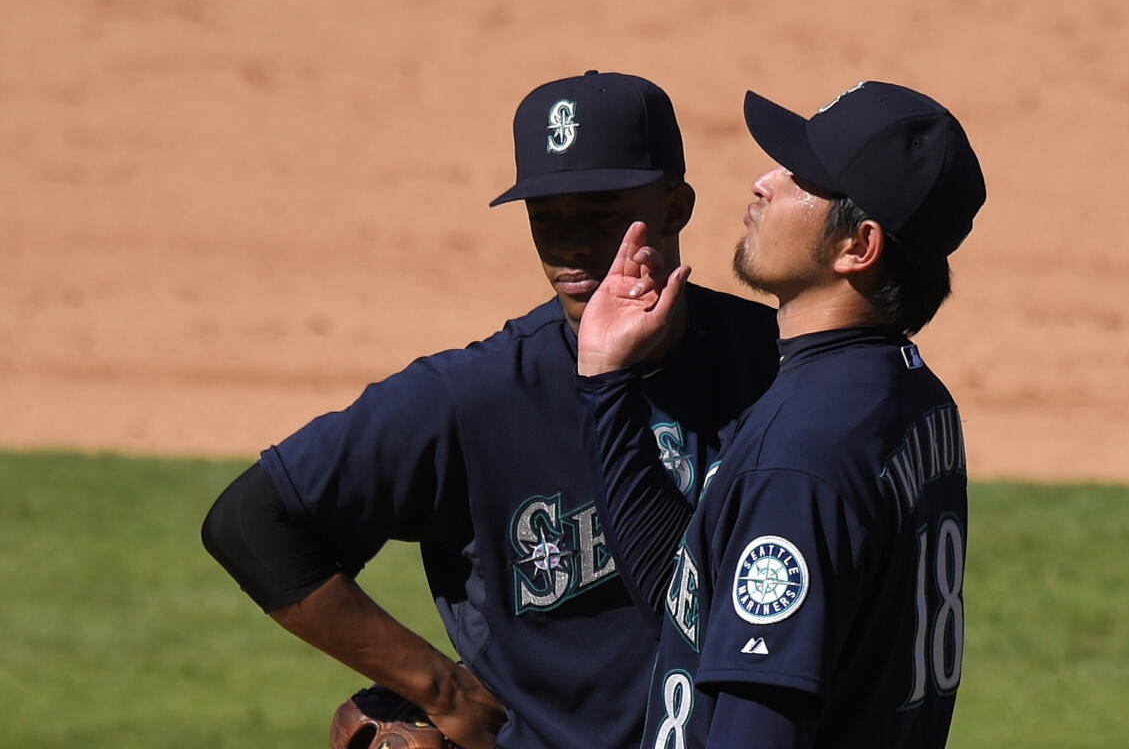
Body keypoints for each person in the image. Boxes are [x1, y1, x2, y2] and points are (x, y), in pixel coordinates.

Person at [200, 70, 780, 749]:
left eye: (599, 213)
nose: (569, 245)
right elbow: (249, 523)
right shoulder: (476, 398)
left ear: (676, 205)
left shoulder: (773, 361)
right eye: (546, 218)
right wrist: (437, 688)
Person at [575, 80, 986, 748]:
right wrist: (606, 385)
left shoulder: (801, 455)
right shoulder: (911, 398)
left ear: (858, 244)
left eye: (801, 177)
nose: (765, 182)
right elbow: (691, 603)